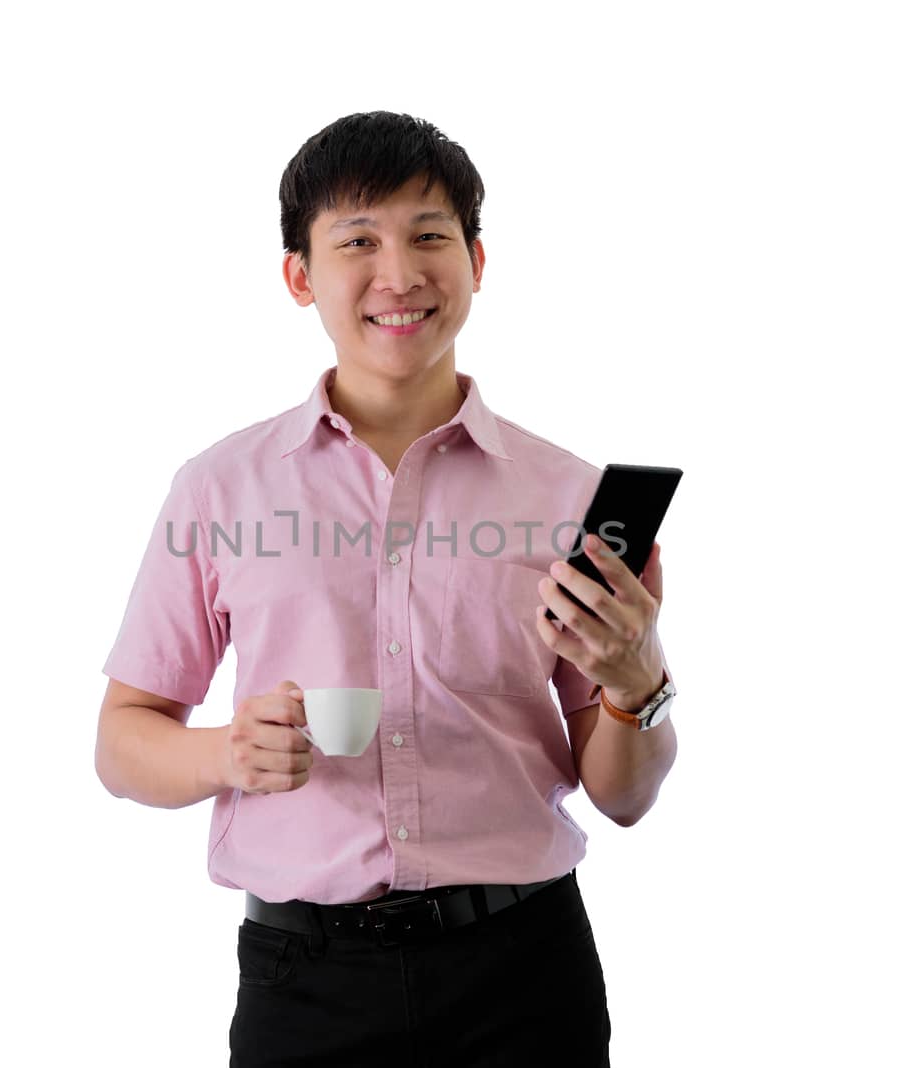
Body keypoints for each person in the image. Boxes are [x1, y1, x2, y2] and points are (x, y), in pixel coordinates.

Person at [95, 111, 679, 1068]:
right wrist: (222, 753)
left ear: (478, 262)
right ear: (300, 276)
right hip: (304, 980)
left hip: (525, 976)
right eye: (358, 240)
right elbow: (122, 740)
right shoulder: (220, 486)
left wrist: (635, 682)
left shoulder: (567, 495)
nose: (399, 275)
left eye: (429, 236)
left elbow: (623, 797)